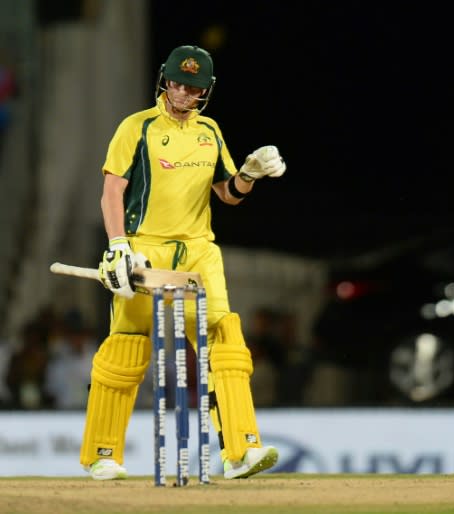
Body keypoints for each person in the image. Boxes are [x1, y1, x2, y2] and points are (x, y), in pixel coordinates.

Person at [80, 45, 286, 481]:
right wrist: (118, 244)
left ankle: (240, 452)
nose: (183, 93)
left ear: (204, 91)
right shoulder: (137, 128)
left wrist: (249, 173)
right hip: (145, 248)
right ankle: (102, 454)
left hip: (198, 249)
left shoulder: (210, 130)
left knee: (225, 338)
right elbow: (112, 191)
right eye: (177, 83)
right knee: (127, 346)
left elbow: (227, 194)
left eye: (193, 88)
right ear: (164, 80)